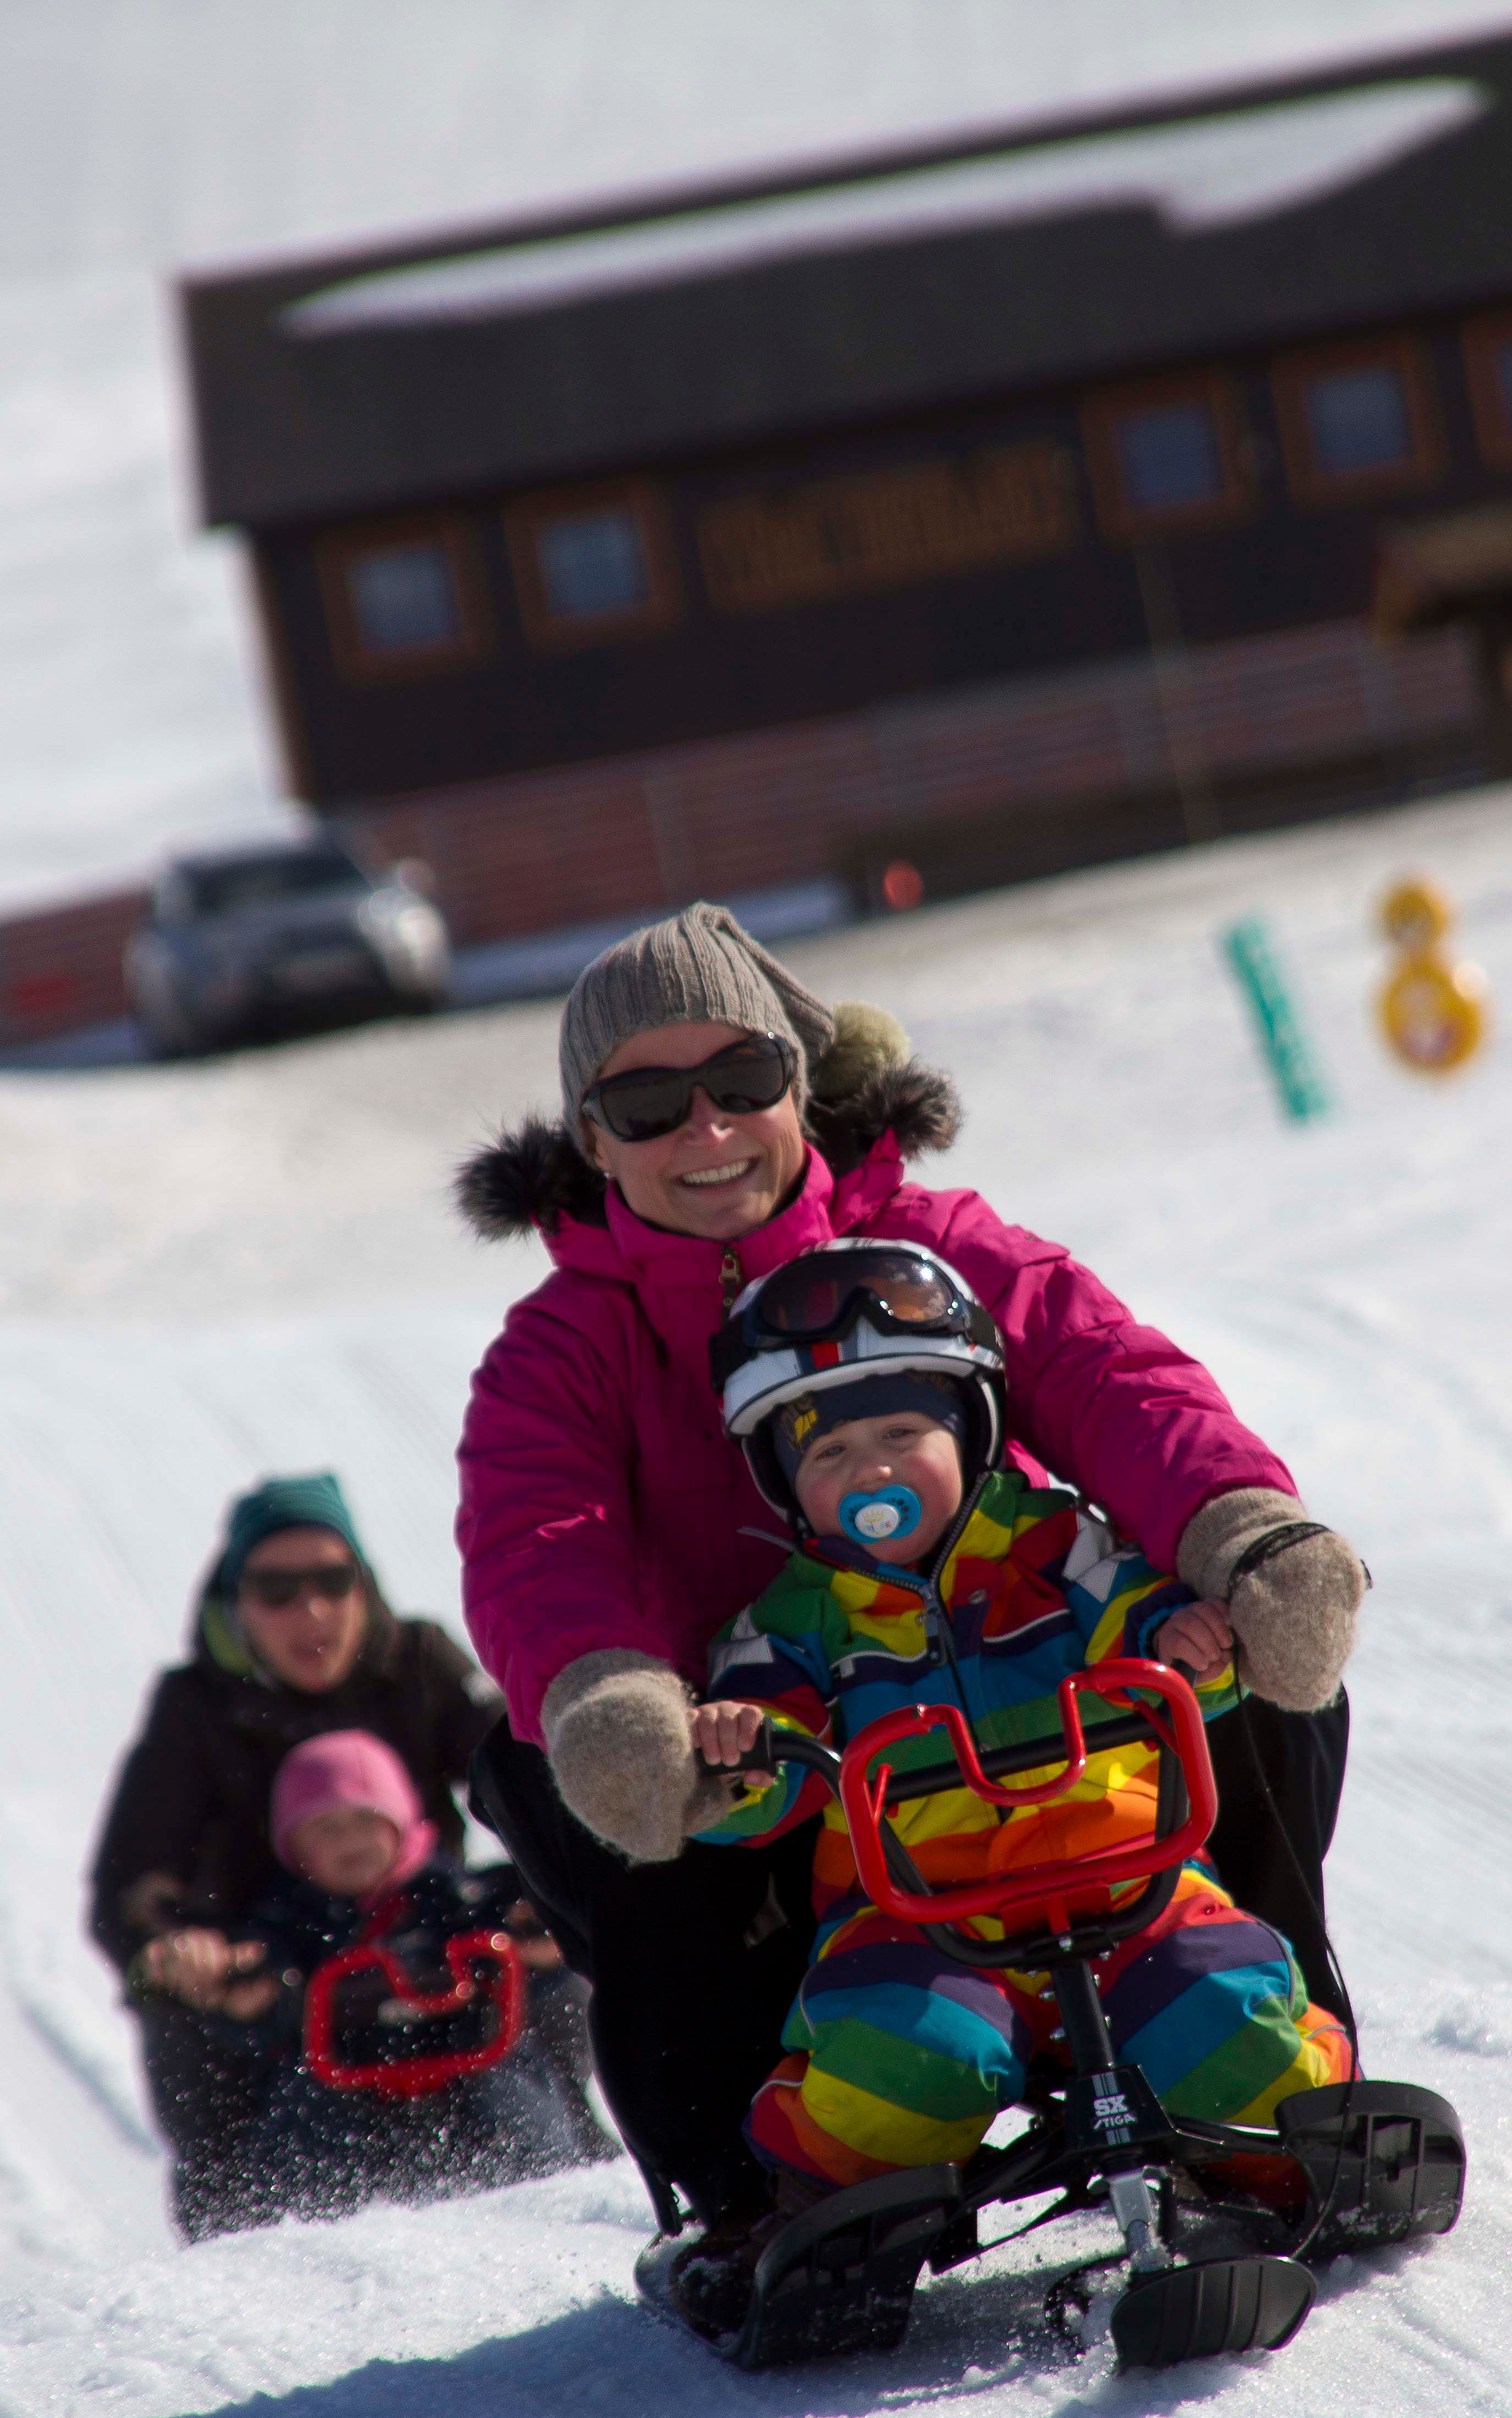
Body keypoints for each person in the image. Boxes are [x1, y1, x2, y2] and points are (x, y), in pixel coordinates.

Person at [456, 902, 1369, 2241]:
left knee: (1248, 1662)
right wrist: (616, 1704)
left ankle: (1265, 2073)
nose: (703, 1132)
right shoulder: (563, 1346)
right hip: (764, 1742)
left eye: (739, 1083)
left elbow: (1107, 1376)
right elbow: (542, 1535)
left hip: (1017, 1682)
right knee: (575, 1774)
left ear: (796, 1084)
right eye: (646, 1103)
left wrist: (1239, 1530)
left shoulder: (927, 1241)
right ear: (590, 1140)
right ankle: (753, 2191)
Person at [666, 1244, 1354, 2316]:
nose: (873, 1472)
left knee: (1220, 2022)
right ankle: (815, 2213)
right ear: (783, 1479)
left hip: (1129, 1880)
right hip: (920, 1917)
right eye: (834, 1450)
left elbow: (1137, 1619)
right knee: (907, 2060)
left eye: (902, 1434)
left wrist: (1183, 1642)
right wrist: (736, 1751)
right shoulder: (794, 1619)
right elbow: (762, 1766)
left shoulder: (1058, 1544)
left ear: (970, 1428)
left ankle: (1297, 2155)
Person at [91, 1471, 513, 2238]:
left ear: (364, 1584)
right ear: (238, 1603)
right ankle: (239, 2233)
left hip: (423, 1951)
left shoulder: (416, 1660)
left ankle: (571, 2179)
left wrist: (562, 1880)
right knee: (172, 2003)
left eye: (331, 1580)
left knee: (551, 1937)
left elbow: (516, 1772)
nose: (310, 1609)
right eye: (277, 1590)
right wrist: (173, 1948)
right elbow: (136, 1871)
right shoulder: (197, 1708)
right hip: (273, 1973)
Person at [189, 1731, 613, 2228]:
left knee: (517, 2094)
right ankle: (294, 2230)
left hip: (466, 2058)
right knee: (299, 2116)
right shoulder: (287, 1921)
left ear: (400, 1823)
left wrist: (535, 1935)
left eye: (367, 1820)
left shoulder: (456, 1896)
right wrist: (252, 2000)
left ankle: (553, 2199)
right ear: (295, 1846)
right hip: (344, 2078)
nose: (350, 1840)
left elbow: (517, 1945)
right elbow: (269, 1994)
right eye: (326, 1829)